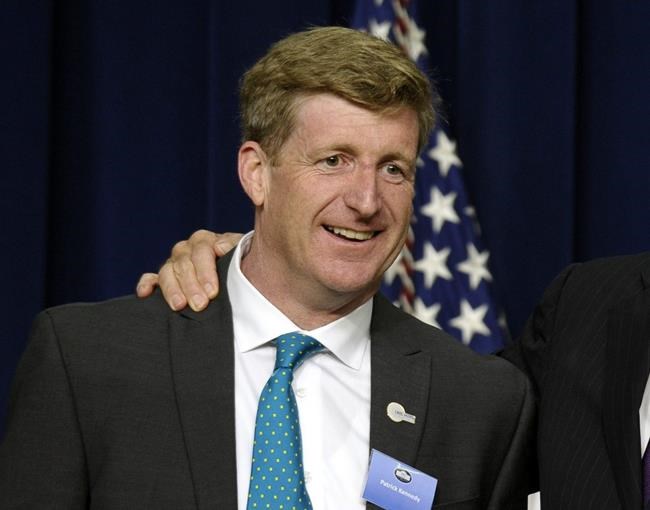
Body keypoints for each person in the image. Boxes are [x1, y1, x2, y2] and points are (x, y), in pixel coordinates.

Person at [0, 27, 534, 509]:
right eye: (334, 160)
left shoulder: (480, 402)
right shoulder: (86, 361)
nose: (367, 201)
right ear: (257, 173)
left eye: (393, 169)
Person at [140, 232, 650, 509]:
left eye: (392, 168)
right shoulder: (590, 301)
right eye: (333, 161)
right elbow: (466, 429)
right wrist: (270, 262)